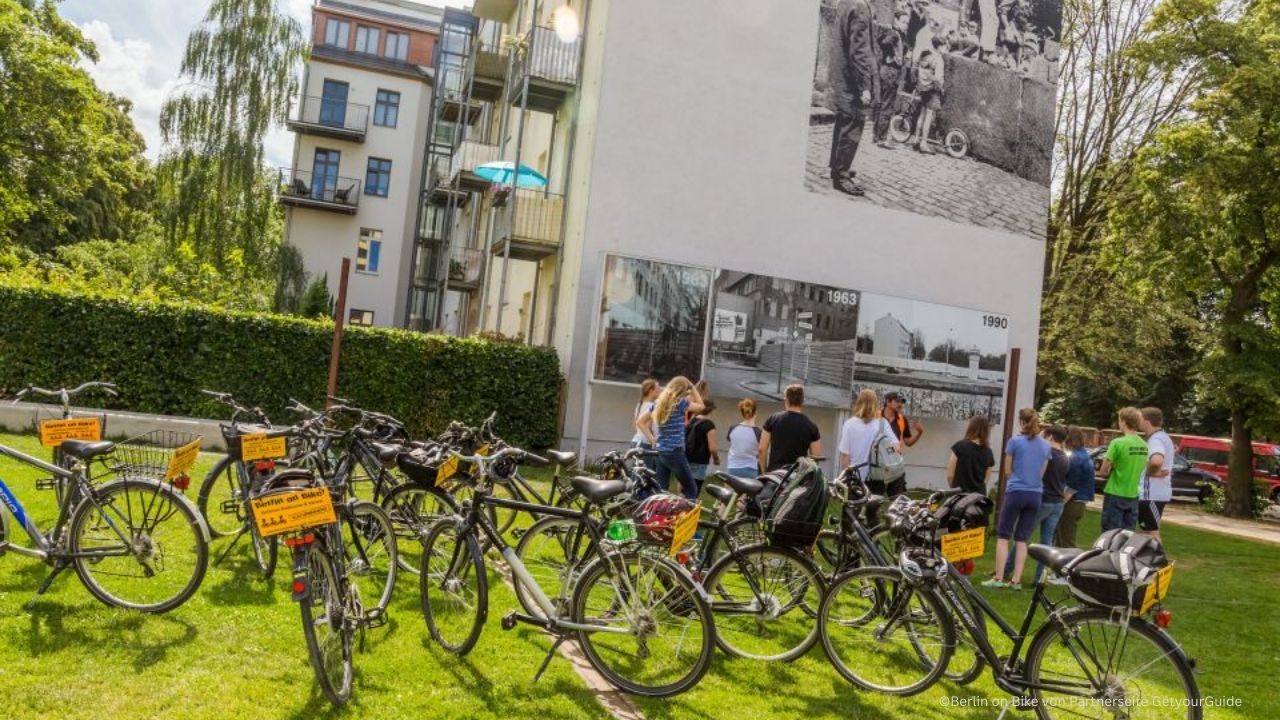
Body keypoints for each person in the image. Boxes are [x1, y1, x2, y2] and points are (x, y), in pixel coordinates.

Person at [983, 408, 1050, 590]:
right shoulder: (1045, 445)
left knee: (1004, 536)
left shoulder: (1014, 442)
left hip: (1016, 492)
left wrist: (1015, 481)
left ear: (1021, 422)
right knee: (1022, 539)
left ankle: (998, 578)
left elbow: (1006, 471)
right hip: (1035, 494)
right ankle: (1016, 581)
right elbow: (1041, 473)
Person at [826, 0, 880, 197]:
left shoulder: (847, 2)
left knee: (843, 121)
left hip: (843, 75)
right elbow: (859, 52)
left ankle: (837, 166)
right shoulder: (860, 8)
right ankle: (841, 175)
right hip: (852, 79)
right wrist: (865, 87)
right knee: (853, 123)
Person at [636, 376, 705, 500]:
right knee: (691, 489)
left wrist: (652, 439)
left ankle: (658, 515)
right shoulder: (680, 403)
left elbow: (640, 422)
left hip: (661, 451)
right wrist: (693, 387)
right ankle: (686, 518)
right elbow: (701, 406)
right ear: (682, 390)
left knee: (662, 489)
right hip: (675, 451)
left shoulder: (659, 403)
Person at [838, 389, 897, 527]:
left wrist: (846, 476)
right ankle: (872, 544)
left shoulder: (850, 424)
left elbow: (845, 455)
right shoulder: (882, 424)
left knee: (851, 515)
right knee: (872, 515)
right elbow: (895, 448)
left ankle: (850, 544)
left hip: (856, 476)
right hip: (878, 477)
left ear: (858, 403)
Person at [1028, 424, 1069, 583]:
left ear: (1050, 436)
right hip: (1058, 502)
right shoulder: (1065, 457)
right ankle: (1039, 578)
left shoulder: (1046, 454)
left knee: (1023, 536)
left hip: (1044, 500)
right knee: (1047, 543)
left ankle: (1007, 570)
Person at [1099, 407, 1148, 532]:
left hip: (1115, 493)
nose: (1118, 423)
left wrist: (1113, 467)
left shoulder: (1118, 443)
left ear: (1124, 422)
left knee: (1110, 533)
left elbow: (1103, 471)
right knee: (1127, 535)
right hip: (1133, 494)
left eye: (1119, 420)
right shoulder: (1144, 445)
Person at [759, 384, 822, 472]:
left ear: (786, 399)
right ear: (803, 401)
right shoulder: (811, 425)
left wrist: (764, 472)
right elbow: (816, 458)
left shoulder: (772, 419)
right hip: (797, 478)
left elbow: (762, 449)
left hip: (774, 475)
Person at [1054, 425, 1095, 553]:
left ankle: (1070, 568)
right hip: (1080, 502)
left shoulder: (1075, 458)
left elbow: (1072, 485)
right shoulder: (1084, 455)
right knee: (1062, 538)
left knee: (1066, 542)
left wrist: (1061, 502)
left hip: (1072, 502)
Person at [873, 10, 910, 149]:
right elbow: (884, 43)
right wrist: (891, 56)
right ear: (896, 21)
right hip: (891, 71)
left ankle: (876, 136)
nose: (905, 25)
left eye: (907, 22)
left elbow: (879, 39)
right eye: (903, 22)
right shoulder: (894, 34)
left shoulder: (897, 34)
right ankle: (881, 138)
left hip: (887, 70)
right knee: (887, 105)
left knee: (881, 103)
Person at [1138, 406, 1174, 543]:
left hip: (1151, 494)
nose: (1138, 422)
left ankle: (1160, 561)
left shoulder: (1156, 440)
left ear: (1146, 421)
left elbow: (1156, 461)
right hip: (1155, 493)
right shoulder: (1162, 437)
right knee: (1147, 532)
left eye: (1140, 419)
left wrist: (1149, 472)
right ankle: (1150, 561)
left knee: (1151, 532)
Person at [881, 390, 923, 498]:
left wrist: (919, 433)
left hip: (895, 463)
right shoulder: (876, 416)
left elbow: (908, 442)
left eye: (902, 402)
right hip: (878, 462)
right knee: (875, 497)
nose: (900, 404)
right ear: (888, 402)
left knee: (897, 497)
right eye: (897, 401)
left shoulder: (902, 420)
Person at [912, 37, 947, 154]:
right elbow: (938, 78)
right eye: (944, 46)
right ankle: (924, 143)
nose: (945, 49)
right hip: (932, 90)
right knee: (929, 115)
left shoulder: (925, 55)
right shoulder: (939, 59)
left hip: (923, 88)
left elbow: (916, 68)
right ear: (940, 46)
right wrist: (941, 89)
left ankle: (916, 139)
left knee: (921, 113)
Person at [947, 415, 995, 495]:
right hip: (978, 499)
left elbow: (950, 475)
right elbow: (985, 481)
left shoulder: (959, 446)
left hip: (959, 497)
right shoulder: (989, 452)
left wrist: (954, 490)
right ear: (986, 431)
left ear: (970, 427)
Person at [725, 399, 763, 479]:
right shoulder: (758, 432)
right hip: (751, 469)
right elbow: (760, 452)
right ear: (755, 413)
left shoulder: (733, 428)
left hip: (733, 468)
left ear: (742, 413)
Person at [685, 399, 720, 486]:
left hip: (686, 456)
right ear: (711, 410)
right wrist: (716, 459)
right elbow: (712, 448)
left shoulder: (691, 421)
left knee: (684, 485)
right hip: (700, 460)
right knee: (694, 488)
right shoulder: (709, 425)